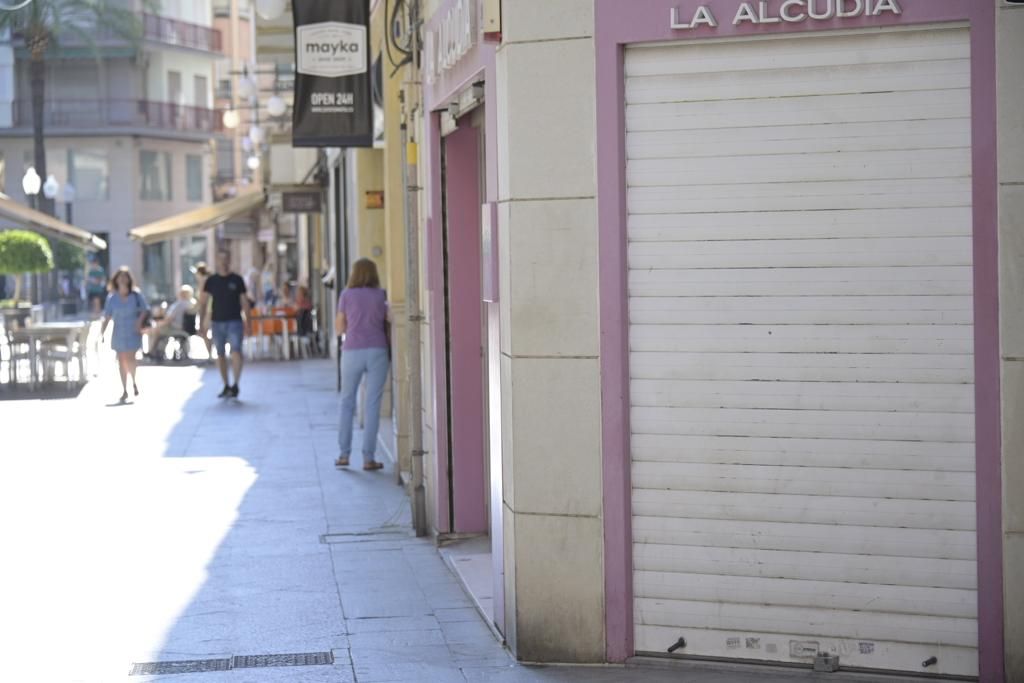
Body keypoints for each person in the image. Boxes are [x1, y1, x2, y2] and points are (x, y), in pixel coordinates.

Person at [335, 258, 390, 471]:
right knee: (372, 404)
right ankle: (368, 458)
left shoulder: (346, 296)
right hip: (378, 350)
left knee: (347, 402)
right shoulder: (381, 295)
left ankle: (343, 455)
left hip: (352, 351)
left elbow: (339, 328)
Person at [199, 249, 250, 398]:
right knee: (220, 354)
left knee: (236, 351)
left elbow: (244, 302)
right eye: (221, 259)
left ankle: (236, 384)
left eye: (226, 259)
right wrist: (201, 322)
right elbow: (203, 303)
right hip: (217, 322)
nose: (224, 262)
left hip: (235, 321)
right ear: (217, 261)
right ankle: (226, 384)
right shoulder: (211, 281)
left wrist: (248, 322)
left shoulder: (237, 280)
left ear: (229, 260)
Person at [100, 266, 149, 403]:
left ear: (129, 279)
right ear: (116, 279)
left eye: (125, 276)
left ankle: (133, 381)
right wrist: (103, 333)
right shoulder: (112, 298)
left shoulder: (136, 295)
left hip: (133, 330)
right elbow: (107, 316)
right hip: (118, 331)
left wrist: (139, 322)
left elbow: (145, 309)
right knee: (121, 360)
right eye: (120, 277)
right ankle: (124, 389)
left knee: (131, 358)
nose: (122, 279)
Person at [145, 285, 195, 360]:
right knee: (157, 329)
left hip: (175, 327)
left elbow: (169, 319)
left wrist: (158, 325)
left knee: (155, 330)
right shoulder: (190, 303)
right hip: (183, 327)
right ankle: (155, 350)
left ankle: (152, 351)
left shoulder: (180, 304)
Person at [191, 262, 214, 361]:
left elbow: (202, 300)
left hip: (207, 309)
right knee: (206, 332)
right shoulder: (208, 280)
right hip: (209, 308)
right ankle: (210, 354)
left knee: (204, 331)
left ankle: (210, 354)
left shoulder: (203, 281)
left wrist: (196, 309)